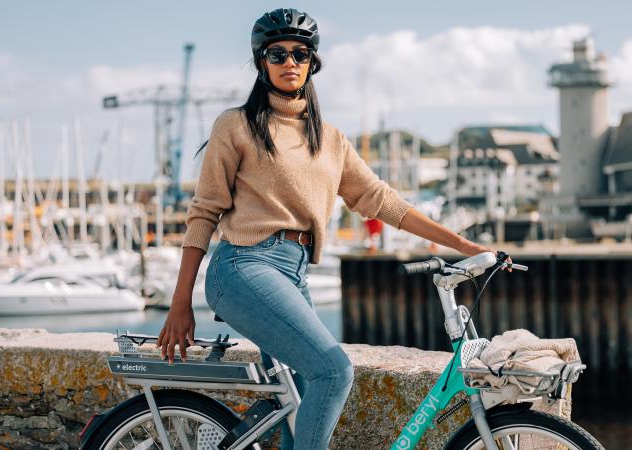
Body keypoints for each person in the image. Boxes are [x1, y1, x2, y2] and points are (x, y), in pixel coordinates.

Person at [156, 8, 505, 449]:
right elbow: (204, 212)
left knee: (300, 400)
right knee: (334, 370)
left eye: (299, 54)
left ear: (312, 62)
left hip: (293, 272)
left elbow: (384, 202)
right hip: (243, 267)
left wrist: (463, 244)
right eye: (277, 54)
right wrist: (179, 302)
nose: (289, 63)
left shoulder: (330, 139)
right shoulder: (237, 125)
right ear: (262, 62)